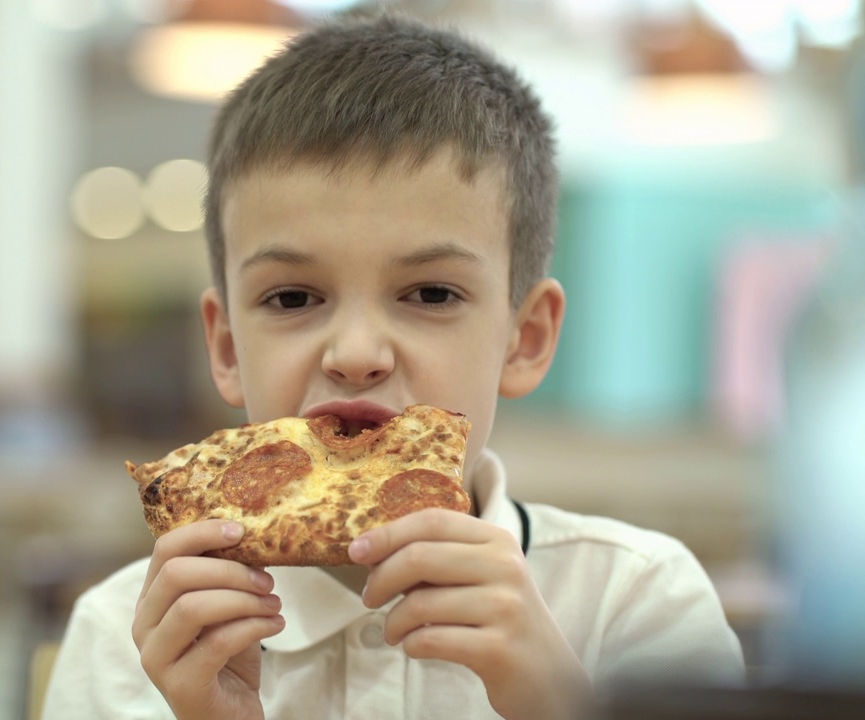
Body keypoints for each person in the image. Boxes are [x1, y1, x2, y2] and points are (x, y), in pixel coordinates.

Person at [42, 12, 744, 720]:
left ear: (523, 340)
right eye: (292, 297)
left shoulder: (636, 605)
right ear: (226, 349)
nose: (355, 354)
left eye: (431, 293)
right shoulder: (124, 644)